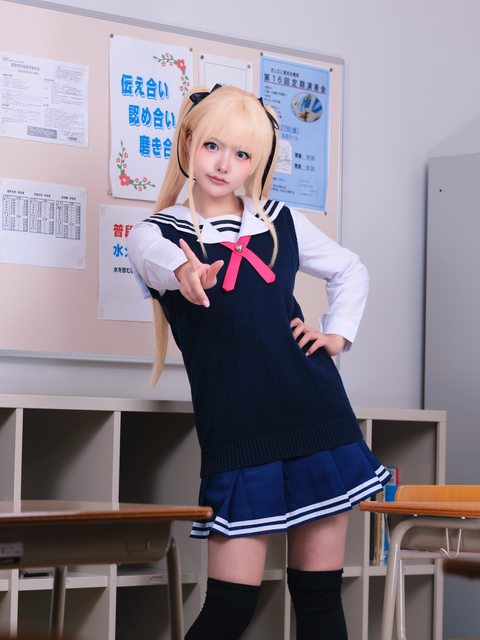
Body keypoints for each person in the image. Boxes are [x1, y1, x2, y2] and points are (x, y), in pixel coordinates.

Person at [128, 84, 390, 640]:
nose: (224, 164)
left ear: (258, 163)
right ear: (188, 142)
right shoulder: (158, 233)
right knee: (229, 609)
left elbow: (350, 269)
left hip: (317, 415)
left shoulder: (279, 219)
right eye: (212, 146)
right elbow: (159, 261)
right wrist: (187, 272)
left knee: (320, 601)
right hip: (239, 430)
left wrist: (337, 334)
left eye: (242, 153)